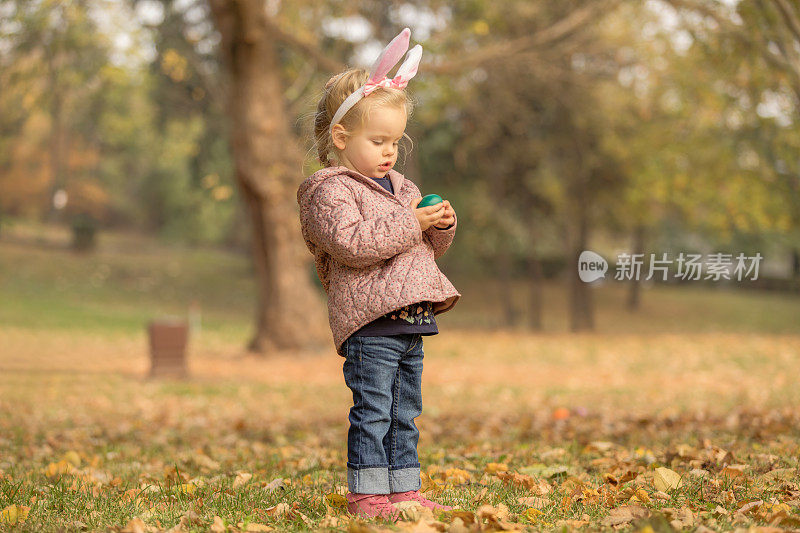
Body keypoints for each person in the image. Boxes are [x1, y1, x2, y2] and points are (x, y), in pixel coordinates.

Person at [296, 28, 460, 521]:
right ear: (342, 138)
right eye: (379, 140)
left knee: (405, 413)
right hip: (370, 325)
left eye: (396, 140)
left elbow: (421, 250)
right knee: (373, 412)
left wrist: (441, 226)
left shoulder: (400, 184)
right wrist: (412, 220)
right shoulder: (328, 191)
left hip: (410, 319)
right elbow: (354, 244)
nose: (390, 151)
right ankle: (368, 494)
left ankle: (403, 490)